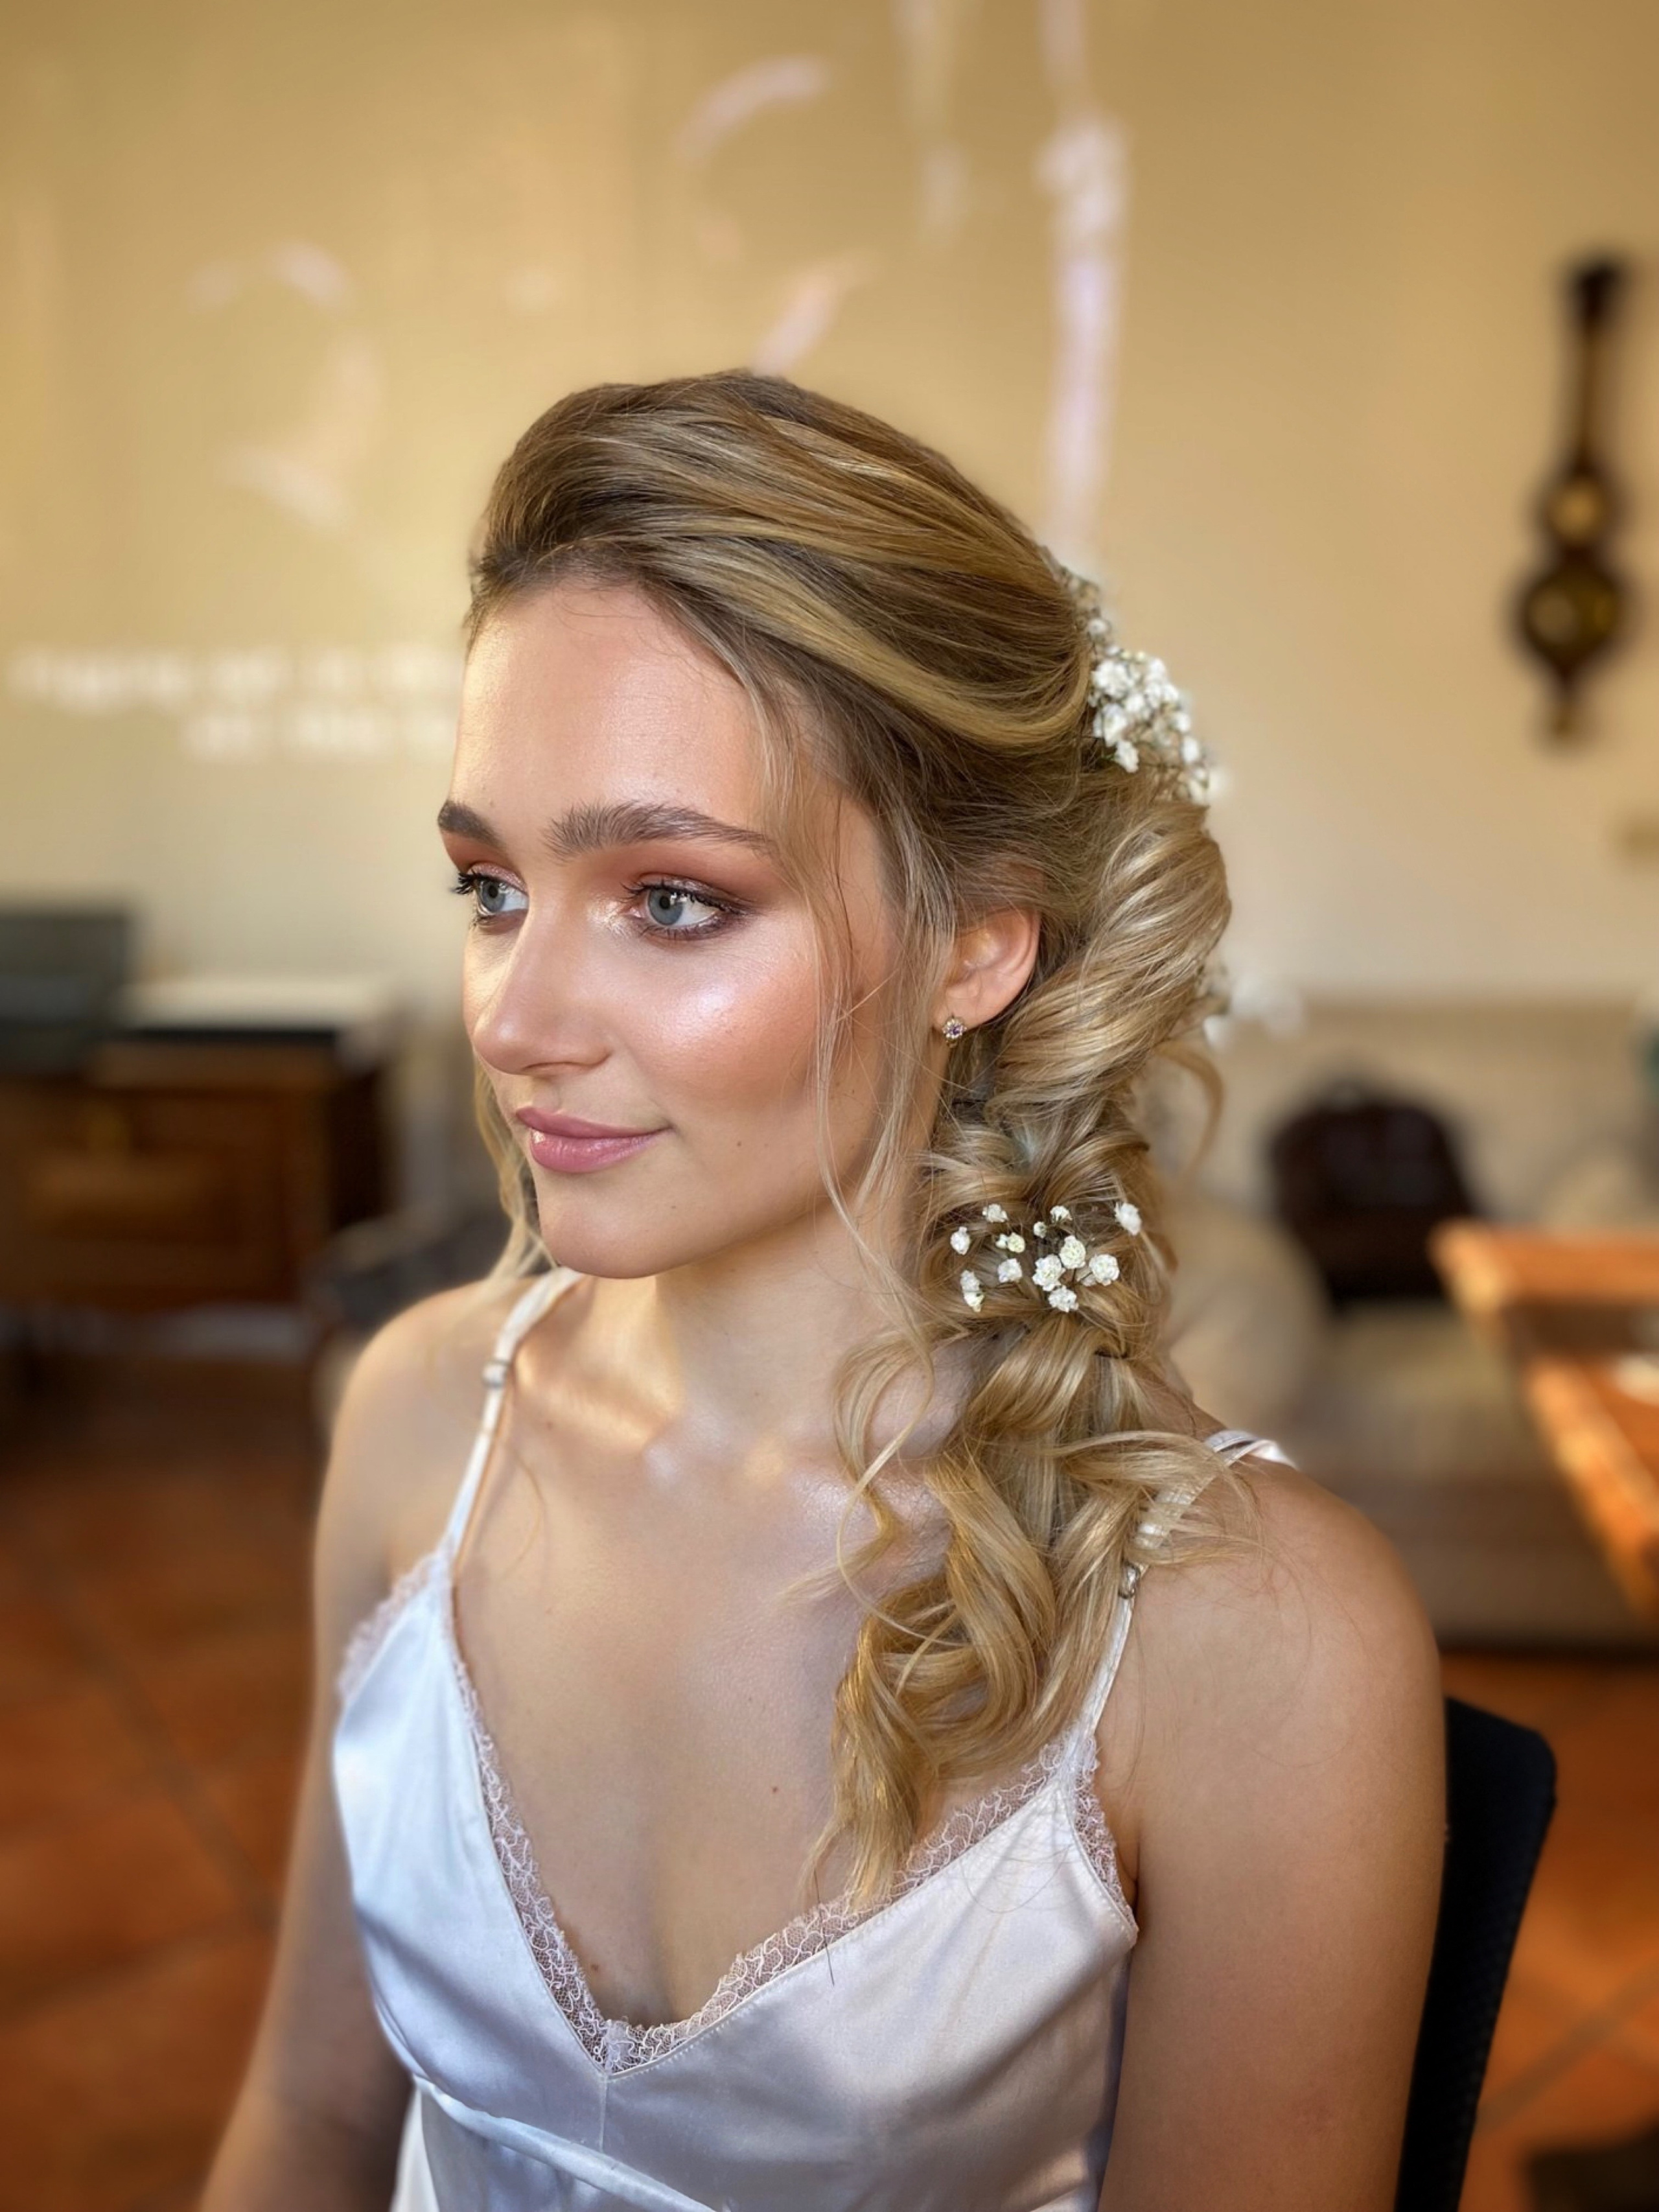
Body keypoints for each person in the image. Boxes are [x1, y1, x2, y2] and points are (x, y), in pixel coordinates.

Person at [203, 371, 1445, 2211]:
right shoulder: (412, 1421)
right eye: (488, 888)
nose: (519, 1020)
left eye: (672, 899)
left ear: (976, 944)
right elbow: (311, 2126)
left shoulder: (1259, 1650)